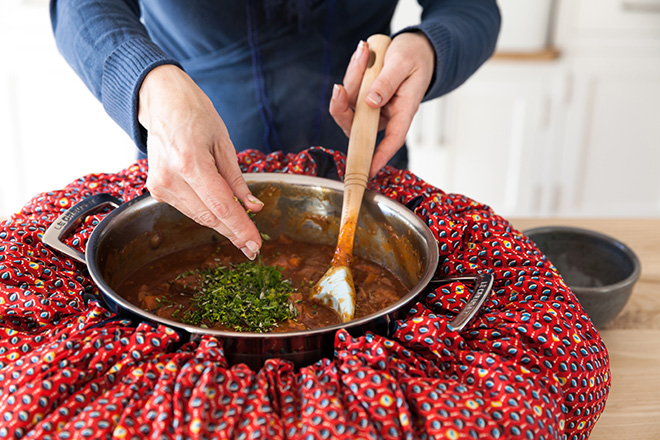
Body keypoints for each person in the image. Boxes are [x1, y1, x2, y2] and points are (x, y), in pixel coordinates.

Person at [49, 0, 500, 260]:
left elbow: (470, 7)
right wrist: (146, 81)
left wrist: (429, 46)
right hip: (189, 163)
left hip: (362, 160)